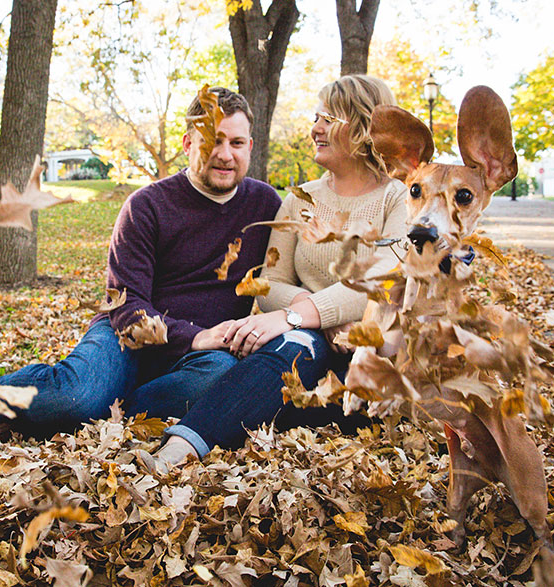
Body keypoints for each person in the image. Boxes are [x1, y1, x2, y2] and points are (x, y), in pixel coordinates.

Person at [0, 87, 282, 442]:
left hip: (202, 356)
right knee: (76, 398)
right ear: (187, 143)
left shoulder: (266, 206)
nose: (224, 154)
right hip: (127, 338)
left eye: (236, 142)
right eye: (212, 140)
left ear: (250, 146)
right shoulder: (147, 206)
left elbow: (294, 273)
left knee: (219, 379)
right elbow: (126, 308)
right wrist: (197, 336)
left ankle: (97, 404)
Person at [138, 74, 408, 468]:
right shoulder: (301, 199)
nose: (315, 128)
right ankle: (180, 447)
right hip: (304, 349)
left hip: (370, 354)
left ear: (365, 127)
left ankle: (165, 417)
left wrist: (298, 315)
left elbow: (382, 282)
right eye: (317, 117)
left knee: (267, 375)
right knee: (291, 350)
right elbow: (268, 284)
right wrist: (311, 318)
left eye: (328, 118)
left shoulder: (398, 197)